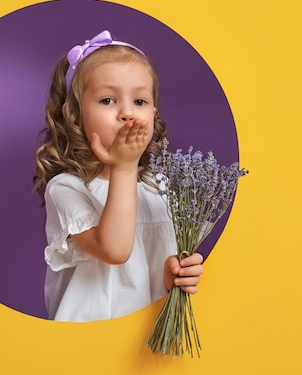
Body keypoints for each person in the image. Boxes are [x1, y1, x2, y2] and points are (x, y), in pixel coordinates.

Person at [33, 30, 203, 322]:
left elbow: (146, 272)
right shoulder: (66, 188)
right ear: (74, 115)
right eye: (108, 100)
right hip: (90, 342)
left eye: (139, 102)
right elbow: (115, 250)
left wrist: (176, 272)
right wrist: (124, 167)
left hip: (146, 344)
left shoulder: (160, 188)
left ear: (154, 113)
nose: (127, 113)